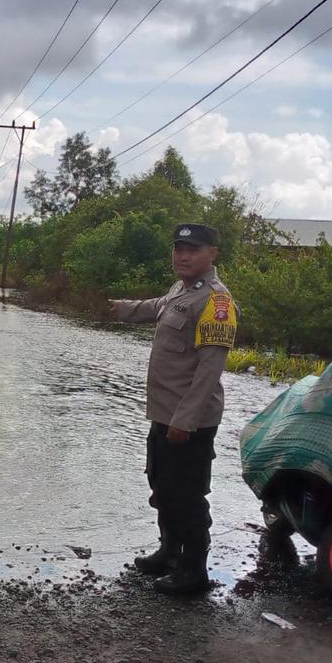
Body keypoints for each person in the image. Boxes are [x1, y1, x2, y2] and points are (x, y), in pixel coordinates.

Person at [109, 223, 237, 595]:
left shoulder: (217, 303)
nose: (182, 255)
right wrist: (125, 309)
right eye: (178, 248)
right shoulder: (181, 289)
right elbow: (158, 308)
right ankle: (169, 552)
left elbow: (209, 371)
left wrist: (186, 421)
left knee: (187, 494)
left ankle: (194, 570)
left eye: (192, 249)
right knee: (161, 484)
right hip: (163, 412)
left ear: (212, 253)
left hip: (189, 420)